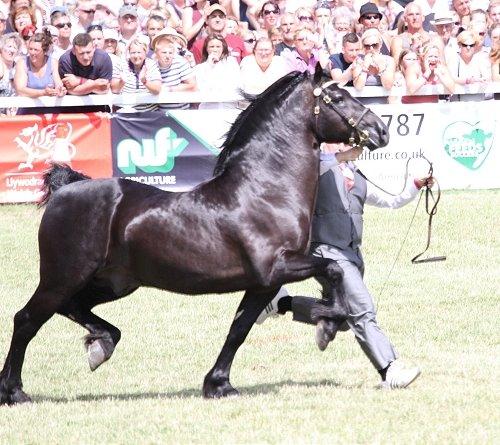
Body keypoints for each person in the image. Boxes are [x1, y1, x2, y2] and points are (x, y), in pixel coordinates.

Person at [257, 143, 432, 390]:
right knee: (362, 308)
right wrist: (340, 156)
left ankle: (281, 303)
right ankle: (389, 369)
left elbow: (391, 201)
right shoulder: (313, 166)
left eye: (349, 142)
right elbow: (316, 163)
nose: (350, 144)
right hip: (326, 253)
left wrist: (415, 185)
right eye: (342, 140)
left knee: (341, 319)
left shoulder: (357, 175)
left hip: (352, 255)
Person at [14, 29, 66, 114]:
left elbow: (58, 83)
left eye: (36, 50)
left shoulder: (53, 62)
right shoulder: (22, 62)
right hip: (28, 112)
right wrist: (43, 93)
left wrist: (60, 90)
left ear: (44, 51)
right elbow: (20, 89)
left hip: (50, 112)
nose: (32, 53)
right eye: (30, 49)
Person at [111, 36, 162, 112]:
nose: (136, 56)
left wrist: (145, 81)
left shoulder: (151, 64)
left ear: (145, 52)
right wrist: (121, 82)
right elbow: (114, 90)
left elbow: (157, 90)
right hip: (126, 112)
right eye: (133, 53)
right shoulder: (121, 64)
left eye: (139, 52)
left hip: (148, 112)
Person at [152, 29, 196, 110]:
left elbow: (193, 86)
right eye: (165, 38)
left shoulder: (181, 62)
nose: (169, 40)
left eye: (172, 38)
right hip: (161, 112)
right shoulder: (152, 64)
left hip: (181, 110)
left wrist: (170, 89)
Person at [194, 33, 240, 109]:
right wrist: (209, 66)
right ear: (206, 49)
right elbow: (203, 89)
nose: (215, 49)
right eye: (212, 47)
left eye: (218, 46)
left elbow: (236, 85)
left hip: (229, 108)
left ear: (223, 48)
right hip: (208, 109)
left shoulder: (231, 62)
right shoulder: (200, 68)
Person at [351, 28, 395, 97]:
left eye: (375, 45)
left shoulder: (389, 60)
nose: (371, 49)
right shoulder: (358, 60)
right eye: (367, 46)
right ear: (363, 47)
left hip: (383, 104)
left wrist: (381, 66)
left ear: (380, 45)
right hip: (362, 103)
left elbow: (388, 86)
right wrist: (365, 67)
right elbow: (358, 87)